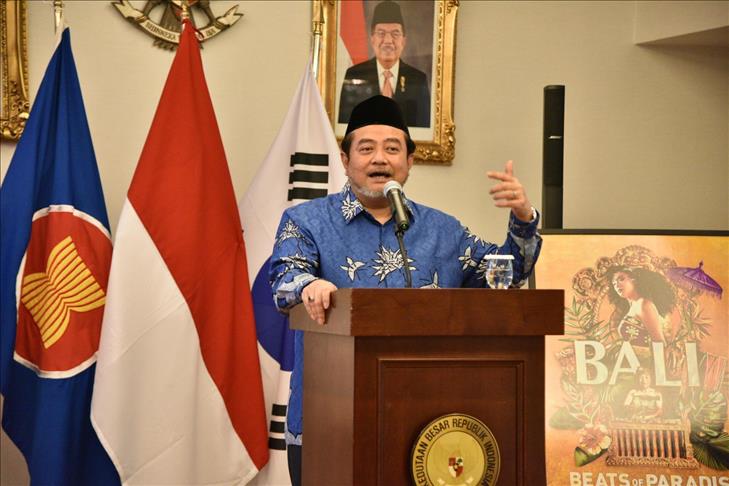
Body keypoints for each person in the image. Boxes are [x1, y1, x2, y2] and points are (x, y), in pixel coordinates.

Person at [270, 95, 541, 485]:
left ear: (410, 161)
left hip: (429, 430)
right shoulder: (307, 221)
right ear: (345, 160)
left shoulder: (443, 230)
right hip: (327, 422)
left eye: (392, 149)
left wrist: (523, 218)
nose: (380, 159)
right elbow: (285, 279)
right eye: (366, 149)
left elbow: (507, 275)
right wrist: (309, 284)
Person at [338, 0, 431, 127]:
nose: (388, 41)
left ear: (404, 41)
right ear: (372, 39)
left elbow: (423, 127)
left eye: (395, 34)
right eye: (381, 33)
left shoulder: (418, 79)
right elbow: (345, 126)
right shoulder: (355, 75)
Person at [607, 266, 676, 347]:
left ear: (634, 280)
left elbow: (659, 343)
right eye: (614, 284)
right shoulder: (633, 306)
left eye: (621, 279)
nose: (617, 285)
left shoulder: (644, 304)